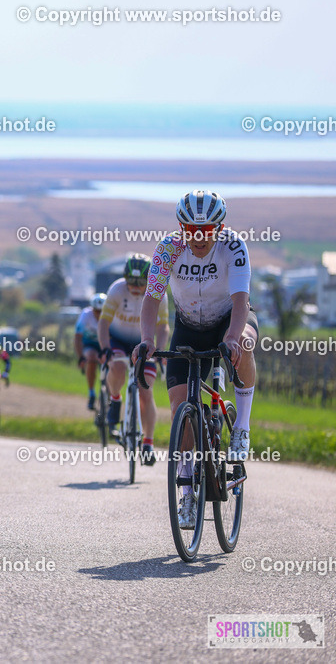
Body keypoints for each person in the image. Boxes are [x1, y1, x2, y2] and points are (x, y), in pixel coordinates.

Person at [135, 190, 257, 529]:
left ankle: (242, 427)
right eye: (191, 230)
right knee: (180, 409)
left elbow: (241, 301)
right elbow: (152, 299)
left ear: (220, 228)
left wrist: (231, 338)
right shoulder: (167, 248)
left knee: (245, 342)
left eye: (206, 230)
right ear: (181, 228)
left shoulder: (233, 246)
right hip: (187, 327)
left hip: (229, 321)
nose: (199, 237)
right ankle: (187, 493)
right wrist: (146, 340)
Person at [98, 254, 169, 464]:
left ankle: (148, 443)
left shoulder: (159, 293)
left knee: (146, 392)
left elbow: (163, 326)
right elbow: (103, 323)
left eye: (140, 283)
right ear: (125, 279)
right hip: (118, 340)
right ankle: (115, 400)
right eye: (131, 283)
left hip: (144, 343)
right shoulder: (117, 290)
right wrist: (105, 348)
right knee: (118, 367)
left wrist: (161, 350)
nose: (136, 288)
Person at [75, 293, 105, 410]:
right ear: (92, 308)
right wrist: (81, 357)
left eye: (102, 311)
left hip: (105, 343)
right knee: (91, 357)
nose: (99, 314)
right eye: (96, 311)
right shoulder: (86, 315)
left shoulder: (111, 314)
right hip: (90, 344)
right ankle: (91, 392)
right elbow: (78, 337)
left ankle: (110, 392)